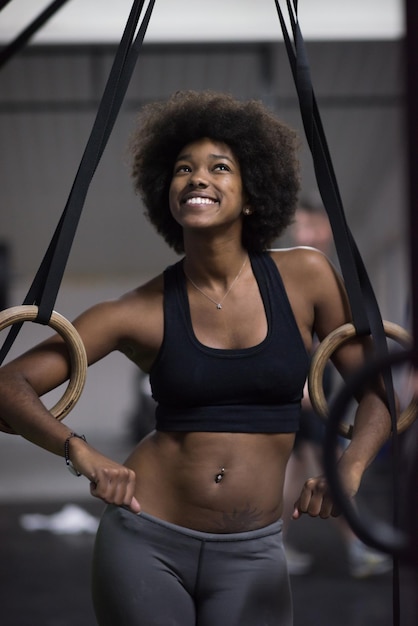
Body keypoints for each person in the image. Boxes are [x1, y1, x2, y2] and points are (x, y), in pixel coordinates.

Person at [0, 90, 394, 626]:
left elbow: (377, 392)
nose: (197, 177)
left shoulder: (307, 277)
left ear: (252, 193)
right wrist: (80, 452)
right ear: (168, 193)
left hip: (255, 552)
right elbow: (10, 384)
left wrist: (348, 468)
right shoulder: (136, 310)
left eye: (219, 167)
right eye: (183, 168)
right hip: (146, 542)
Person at [282, 196, 393, 578]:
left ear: (326, 231)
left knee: (301, 473)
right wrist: (302, 392)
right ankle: (358, 544)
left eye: (313, 227)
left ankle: (272, 545)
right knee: (327, 470)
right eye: (302, 227)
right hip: (307, 399)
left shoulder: (328, 274)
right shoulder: (295, 272)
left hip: (320, 396)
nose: (307, 233)